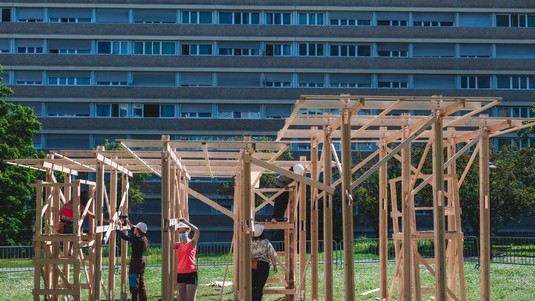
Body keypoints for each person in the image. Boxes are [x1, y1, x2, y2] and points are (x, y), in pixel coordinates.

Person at [116, 218, 149, 301]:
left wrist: (118, 228)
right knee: (140, 284)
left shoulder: (137, 239)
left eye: (136, 228)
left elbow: (124, 237)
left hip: (135, 264)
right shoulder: (140, 238)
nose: (134, 229)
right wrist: (127, 222)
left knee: (134, 284)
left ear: (138, 231)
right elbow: (133, 228)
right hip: (140, 262)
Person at [171, 218, 200, 301]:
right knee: (182, 299)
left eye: (183, 232)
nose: (182, 234)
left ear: (188, 231)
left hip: (191, 273)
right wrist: (170, 230)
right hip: (180, 274)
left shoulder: (192, 243)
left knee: (190, 299)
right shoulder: (178, 245)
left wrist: (186, 222)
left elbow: (197, 231)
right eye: (180, 232)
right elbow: (170, 245)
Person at [251, 224, 278, 301]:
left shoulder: (249, 242)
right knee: (260, 286)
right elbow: (272, 255)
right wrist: (275, 266)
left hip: (251, 264)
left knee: (251, 286)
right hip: (263, 265)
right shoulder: (266, 242)